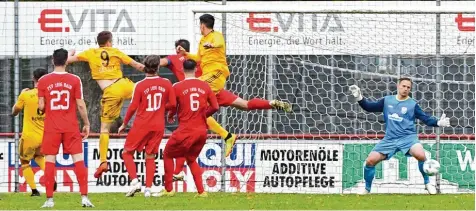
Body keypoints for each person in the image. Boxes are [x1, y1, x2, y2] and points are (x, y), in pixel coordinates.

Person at [176, 14, 292, 157]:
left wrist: (212, 45)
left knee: (193, 87)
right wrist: (186, 54)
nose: (199, 28)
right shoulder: (202, 41)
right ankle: (271, 104)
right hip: (212, 83)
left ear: (202, 25)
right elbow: (199, 59)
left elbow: (218, 42)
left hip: (216, 73)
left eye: (199, 25)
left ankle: (193, 133)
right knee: (244, 105)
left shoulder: (216, 36)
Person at [349, 77, 450, 195]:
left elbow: (425, 118)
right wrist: (359, 97)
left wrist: (438, 123)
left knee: (421, 155)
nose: (406, 89)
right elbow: (369, 107)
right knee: (370, 161)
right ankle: (367, 189)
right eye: (404, 86)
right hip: (390, 139)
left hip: (408, 138)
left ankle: (427, 184)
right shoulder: (387, 100)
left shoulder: (412, 104)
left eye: (408, 87)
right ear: (398, 86)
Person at [67, 31, 145, 178]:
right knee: (147, 98)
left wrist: (70, 53)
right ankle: (146, 135)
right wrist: (152, 72)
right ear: (109, 42)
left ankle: (103, 162)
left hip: (110, 91)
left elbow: (68, 60)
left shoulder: (90, 53)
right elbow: (137, 65)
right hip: (123, 85)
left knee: (104, 129)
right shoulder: (115, 52)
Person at [38, 49, 93, 208]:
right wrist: (87, 123)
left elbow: (41, 106)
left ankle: (49, 200)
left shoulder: (43, 80)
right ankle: (84, 197)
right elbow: (81, 105)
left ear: (53, 61)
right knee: (78, 160)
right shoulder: (74, 80)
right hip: (70, 126)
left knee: (49, 162)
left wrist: (43, 107)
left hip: (51, 127)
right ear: (66, 61)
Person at [156, 59, 218, 197]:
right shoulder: (205, 86)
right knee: (190, 159)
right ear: (196, 69)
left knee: (167, 154)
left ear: (183, 70)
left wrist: (170, 114)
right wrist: (203, 115)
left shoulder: (177, 86)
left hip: (186, 130)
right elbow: (215, 107)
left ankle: (168, 189)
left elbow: (172, 105)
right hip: (202, 131)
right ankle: (202, 192)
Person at [118, 55, 176, 198]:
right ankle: (148, 189)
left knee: (127, 153)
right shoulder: (167, 83)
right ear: (158, 67)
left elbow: (132, 107)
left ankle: (135, 181)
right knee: (150, 156)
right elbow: (173, 104)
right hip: (158, 125)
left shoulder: (140, 85)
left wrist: (124, 123)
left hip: (142, 124)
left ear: (145, 67)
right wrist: (164, 110)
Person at [12, 68, 49, 196]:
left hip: (29, 136)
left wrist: (20, 96)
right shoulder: (49, 95)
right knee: (39, 156)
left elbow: (14, 112)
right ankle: (51, 177)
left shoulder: (26, 94)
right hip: (44, 135)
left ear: (33, 79)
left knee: (24, 161)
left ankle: (34, 190)